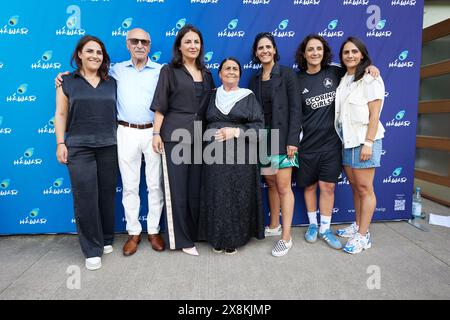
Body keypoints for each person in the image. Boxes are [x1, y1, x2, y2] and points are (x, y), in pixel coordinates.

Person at [56, 28, 165, 257]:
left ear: (150, 44)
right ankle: (134, 233)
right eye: (134, 41)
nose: (139, 45)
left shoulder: (161, 70)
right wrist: (61, 77)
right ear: (127, 44)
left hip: (153, 132)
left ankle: (154, 231)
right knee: (129, 185)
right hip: (124, 131)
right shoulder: (114, 71)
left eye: (144, 41)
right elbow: (83, 78)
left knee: (154, 185)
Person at [294, 34, 379, 250]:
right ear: (304, 54)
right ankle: (313, 225)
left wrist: (370, 67)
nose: (315, 53)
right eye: (310, 49)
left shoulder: (336, 72)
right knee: (310, 186)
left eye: (319, 49)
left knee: (328, 186)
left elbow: (357, 70)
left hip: (333, 144)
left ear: (325, 53)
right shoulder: (296, 79)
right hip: (308, 144)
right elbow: (293, 113)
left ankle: (325, 228)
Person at [55, 35, 118, 271]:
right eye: (90, 51)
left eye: (99, 52)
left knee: (105, 195)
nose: (95, 56)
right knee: (85, 198)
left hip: (108, 146)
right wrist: (61, 143)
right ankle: (92, 249)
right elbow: (61, 114)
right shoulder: (66, 82)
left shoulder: (111, 81)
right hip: (79, 147)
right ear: (79, 54)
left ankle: (107, 238)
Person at [151, 24, 215, 256]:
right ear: (179, 45)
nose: (193, 46)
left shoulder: (207, 74)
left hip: (201, 138)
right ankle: (181, 239)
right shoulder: (169, 70)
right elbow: (160, 105)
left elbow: (213, 106)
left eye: (196, 42)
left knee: (195, 188)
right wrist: (156, 134)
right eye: (188, 41)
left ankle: (195, 233)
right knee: (176, 190)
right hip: (174, 136)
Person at [198, 57, 265, 255]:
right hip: (213, 156)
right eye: (227, 68)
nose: (231, 71)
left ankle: (233, 239)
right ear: (219, 74)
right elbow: (199, 120)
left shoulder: (248, 96)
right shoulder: (211, 96)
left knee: (236, 195)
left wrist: (235, 132)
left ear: (240, 74)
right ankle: (216, 237)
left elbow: (260, 128)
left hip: (241, 156)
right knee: (216, 194)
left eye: (235, 69)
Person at [249, 32, 301, 257]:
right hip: (263, 140)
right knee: (270, 183)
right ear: (256, 52)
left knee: (283, 186)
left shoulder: (287, 74)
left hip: (283, 139)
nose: (264, 51)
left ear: (274, 49)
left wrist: (292, 140)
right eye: (260, 48)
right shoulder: (254, 79)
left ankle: (286, 237)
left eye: (268, 47)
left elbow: (296, 109)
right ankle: (273, 225)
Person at [334, 37, 385, 254]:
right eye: (346, 52)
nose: (350, 55)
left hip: (364, 141)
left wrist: (369, 143)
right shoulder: (345, 78)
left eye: (354, 52)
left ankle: (364, 236)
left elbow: (375, 115)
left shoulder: (371, 79)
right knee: (356, 187)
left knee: (365, 189)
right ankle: (357, 225)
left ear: (362, 54)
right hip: (347, 141)